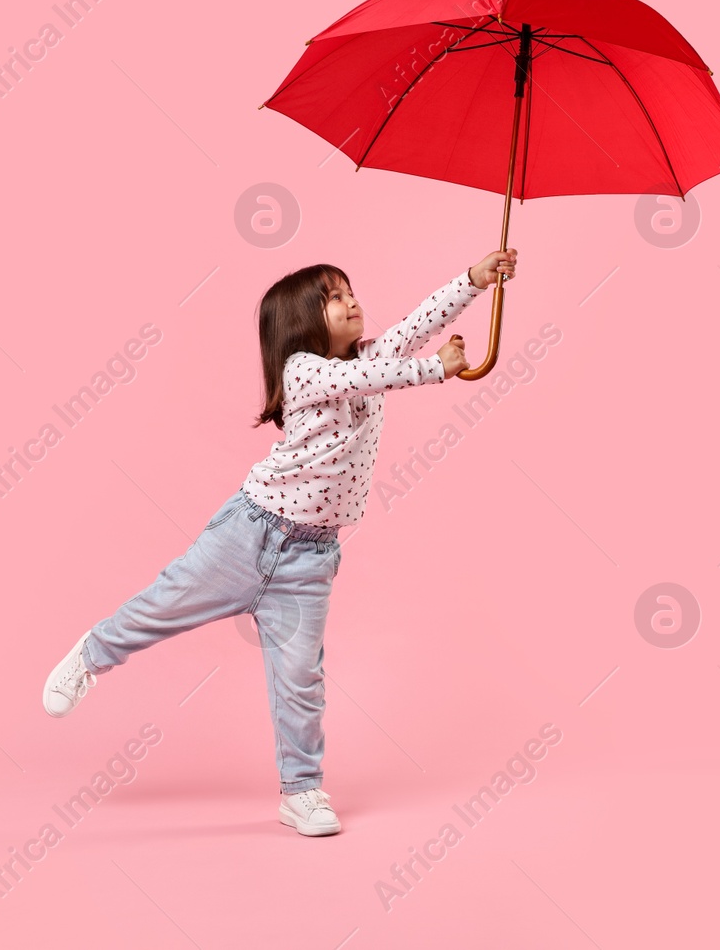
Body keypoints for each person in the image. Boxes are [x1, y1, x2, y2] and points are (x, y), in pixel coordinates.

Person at [40, 248, 518, 835]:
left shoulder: (370, 360)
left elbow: (415, 327)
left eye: (349, 291)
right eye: (334, 297)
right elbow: (364, 376)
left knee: (300, 677)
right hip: (251, 533)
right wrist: (435, 370)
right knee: (161, 605)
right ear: (301, 323)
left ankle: (302, 791)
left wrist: (472, 281)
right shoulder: (305, 370)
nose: (351, 301)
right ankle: (90, 656)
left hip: (311, 559)